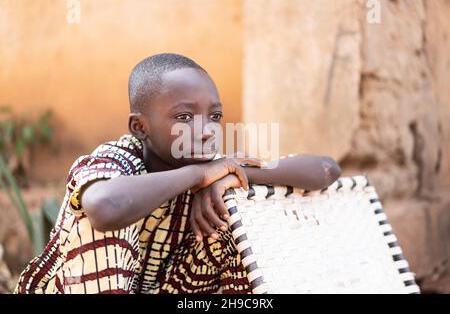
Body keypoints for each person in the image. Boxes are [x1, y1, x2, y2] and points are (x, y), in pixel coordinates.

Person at [15, 53, 341, 294]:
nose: (204, 130)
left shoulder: (215, 166)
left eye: (214, 116)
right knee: (106, 222)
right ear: (140, 127)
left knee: (237, 211)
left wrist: (235, 175)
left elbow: (327, 170)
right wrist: (198, 177)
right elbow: (105, 209)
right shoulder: (117, 160)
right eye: (184, 116)